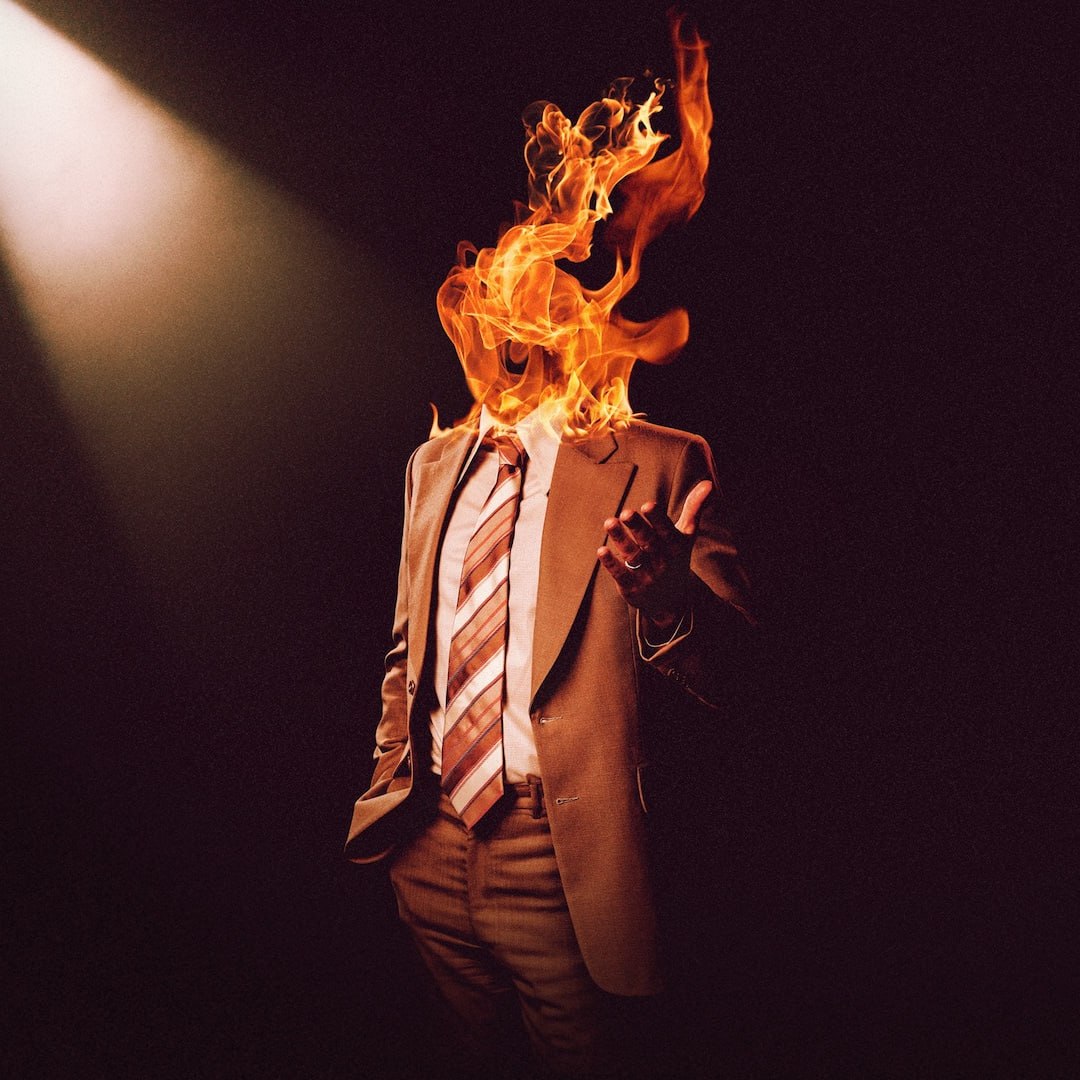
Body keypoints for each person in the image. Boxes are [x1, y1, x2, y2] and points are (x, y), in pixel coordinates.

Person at [345, 395, 755, 1078]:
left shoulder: (664, 459)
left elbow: (744, 680)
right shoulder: (433, 462)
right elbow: (407, 649)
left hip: (563, 855)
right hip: (428, 842)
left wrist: (670, 603)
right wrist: (394, 773)